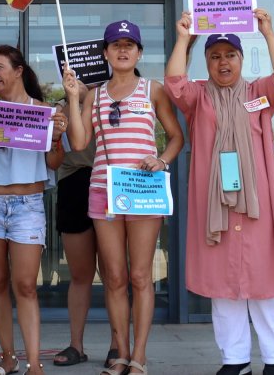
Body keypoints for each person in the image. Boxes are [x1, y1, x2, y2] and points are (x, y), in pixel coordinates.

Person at [163, 10, 274, 375]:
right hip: (214, 205)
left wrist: (268, 32)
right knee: (224, 287)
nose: (223, 62)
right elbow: (174, 80)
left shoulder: (258, 93)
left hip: (257, 206)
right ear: (207, 62)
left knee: (265, 284)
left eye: (230, 55)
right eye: (215, 56)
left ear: (240, 58)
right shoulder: (198, 97)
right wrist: (183, 38)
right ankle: (235, 361)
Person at [62, 20, 183, 375]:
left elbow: (176, 137)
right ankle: (120, 354)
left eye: (130, 44)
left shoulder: (153, 90)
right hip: (103, 190)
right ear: (106, 53)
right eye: (116, 44)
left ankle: (139, 357)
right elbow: (80, 143)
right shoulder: (95, 94)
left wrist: (161, 160)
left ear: (139, 53)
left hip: (144, 190)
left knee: (141, 276)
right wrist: (73, 97)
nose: (123, 49)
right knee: (113, 277)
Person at [0, 45, 66, 375]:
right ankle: (8, 359)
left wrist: (57, 139)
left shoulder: (45, 112)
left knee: (25, 285)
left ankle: (34, 364)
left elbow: (53, 163)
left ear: (18, 70)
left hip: (27, 206)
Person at [51, 126, 119, 369]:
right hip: (73, 180)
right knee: (80, 275)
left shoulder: (112, 95)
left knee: (114, 275)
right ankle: (76, 345)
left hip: (113, 180)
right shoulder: (63, 106)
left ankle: (118, 345)